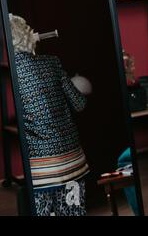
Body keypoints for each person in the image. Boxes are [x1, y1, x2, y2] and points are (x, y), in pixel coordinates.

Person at [10, 14, 91, 216]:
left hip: (41, 172)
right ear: (29, 37)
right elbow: (79, 104)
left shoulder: (11, 73)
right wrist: (77, 85)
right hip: (72, 162)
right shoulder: (52, 63)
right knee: (74, 212)